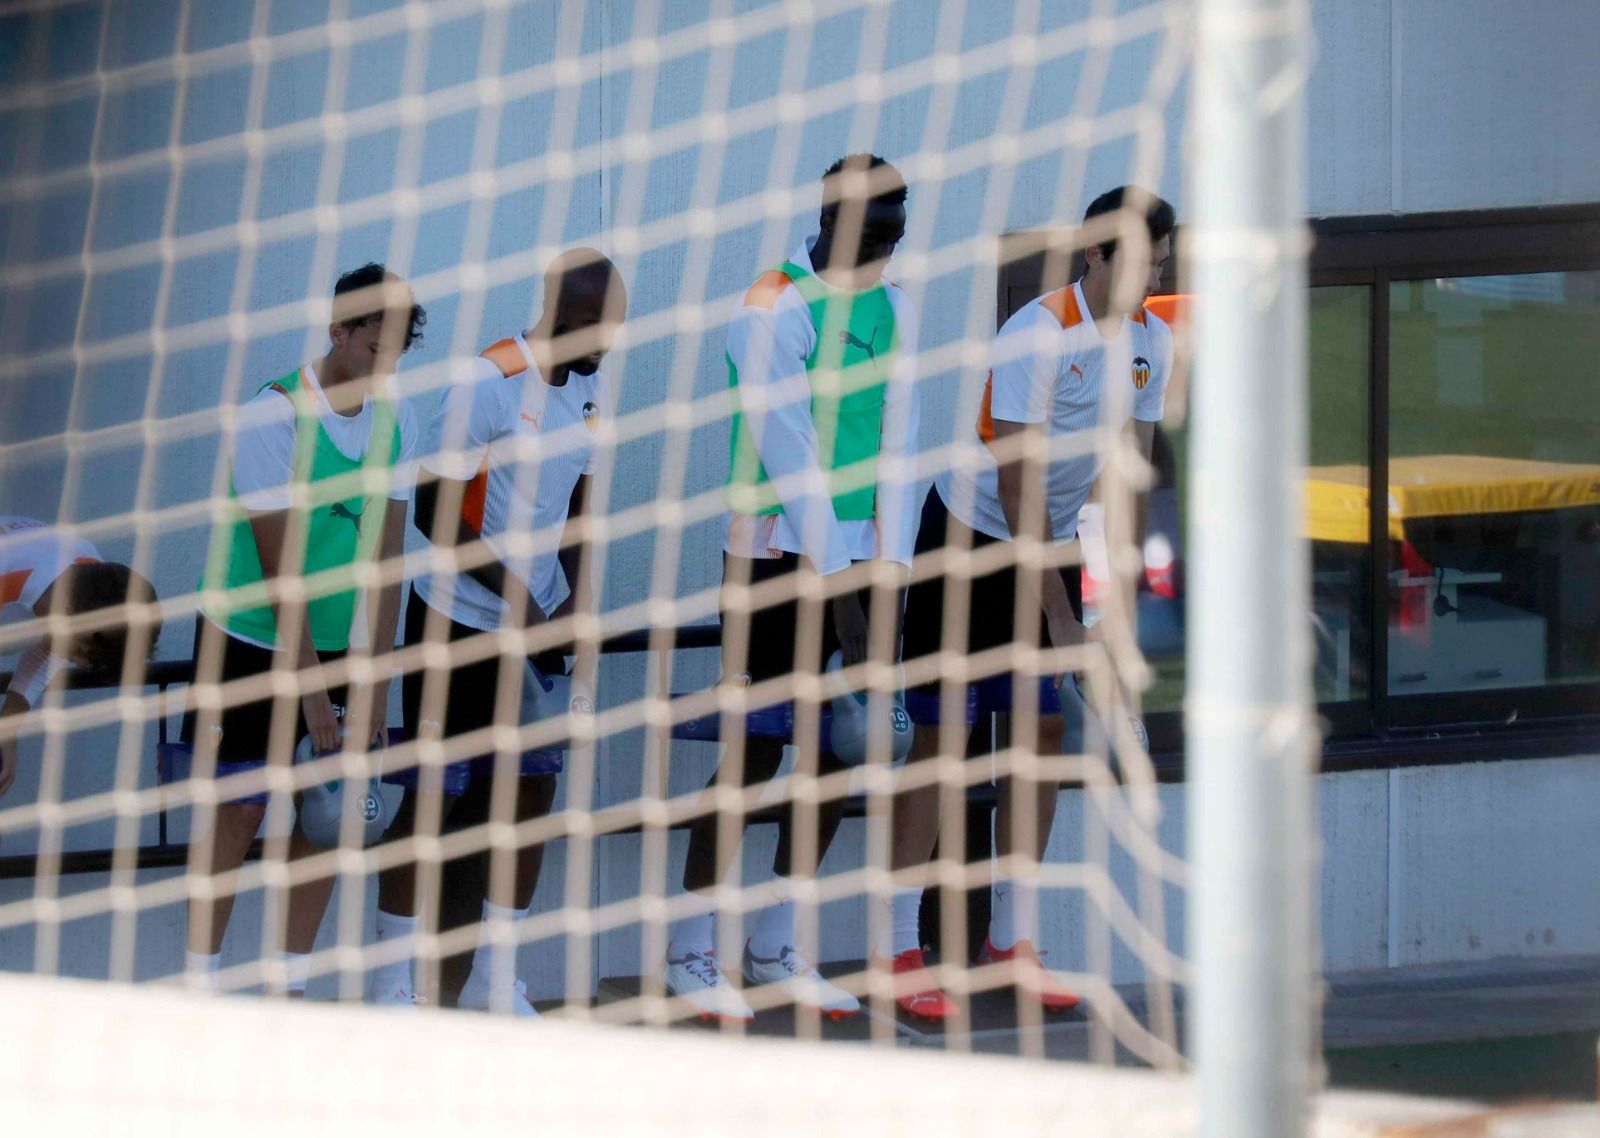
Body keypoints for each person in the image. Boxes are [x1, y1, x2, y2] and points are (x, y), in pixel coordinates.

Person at [891, 187, 1175, 1019]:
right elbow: (1018, 488)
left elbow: (1124, 480)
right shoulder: (1035, 337)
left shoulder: (1151, 342)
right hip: (969, 539)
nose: (1149, 282)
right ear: (1093, 256)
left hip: (1051, 536)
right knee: (946, 738)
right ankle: (899, 948)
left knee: (1041, 731)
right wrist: (1059, 615)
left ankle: (1009, 942)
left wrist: (1102, 600)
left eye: (1159, 266)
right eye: (1137, 265)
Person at [662, 154, 920, 1021]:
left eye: (902, 217)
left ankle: (776, 942)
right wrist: (846, 591)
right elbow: (790, 450)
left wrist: (891, 574)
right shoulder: (771, 304)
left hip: (857, 560)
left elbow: (898, 439)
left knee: (842, 749)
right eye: (878, 221)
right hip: (771, 558)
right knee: (758, 750)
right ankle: (689, 949)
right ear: (832, 218)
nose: (894, 235)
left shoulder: (897, 305)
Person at [370, 248, 625, 1016]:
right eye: (600, 327)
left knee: (533, 788)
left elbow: (581, 502)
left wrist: (574, 602)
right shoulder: (484, 381)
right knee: (433, 797)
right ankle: (394, 985)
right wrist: (524, 604)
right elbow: (432, 516)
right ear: (563, 314)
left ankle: (491, 979)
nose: (609, 343)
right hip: (456, 621)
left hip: (537, 625)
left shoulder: (591, 386)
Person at [182, 264, 423, 996]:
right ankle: (201, 989)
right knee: (239, 812)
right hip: (248, 637)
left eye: (395, 354)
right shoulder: (275, 413)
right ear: (337, 330)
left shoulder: (394, 420)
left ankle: (286, 990)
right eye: (371, 347)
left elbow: (389, 561)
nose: (381, 366)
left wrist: (373, 686)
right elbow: (278, 571)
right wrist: (316, 696)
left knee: (328, 814)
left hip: (335, 644)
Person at [0, 517, 160, 803]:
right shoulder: (10, 580)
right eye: (84, 652)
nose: (82, 664)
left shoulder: (89, 580)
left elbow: (47, 650)